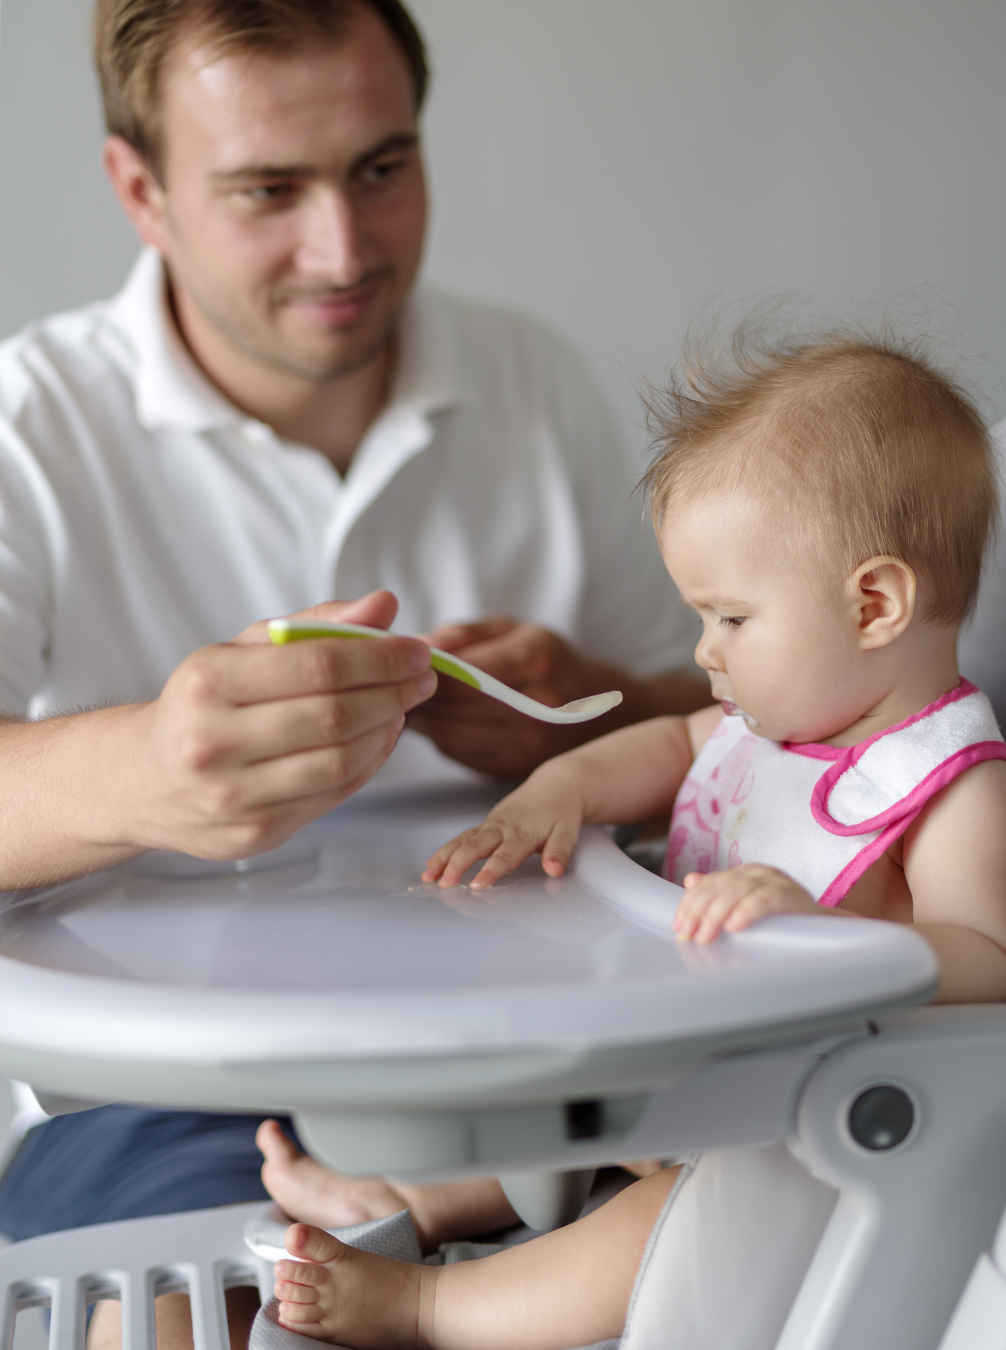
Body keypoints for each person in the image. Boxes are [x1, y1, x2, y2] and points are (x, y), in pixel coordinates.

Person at [0, 0, 708, 1313]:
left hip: (561, 1082)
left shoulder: (533, 384)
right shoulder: (30, 428)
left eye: (381, 168)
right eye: (269, 190)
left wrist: (586, 721)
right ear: (141, 192)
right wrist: (144, 773)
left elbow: (729, 722)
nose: (344, 249)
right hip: (175, 1104)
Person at [261, 328, 1006, 1349]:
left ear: (874, 605)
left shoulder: (947, 784)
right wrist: (558, 790)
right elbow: (668, 743)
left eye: (731, 619)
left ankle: (429, 1309)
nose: (703, 651)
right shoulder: (774, 730)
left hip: (813, 1131)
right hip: (692, 1074)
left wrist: (817, 931)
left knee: (661, 1226)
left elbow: (992, 961)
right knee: (550, 1102)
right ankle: (415, 1197)